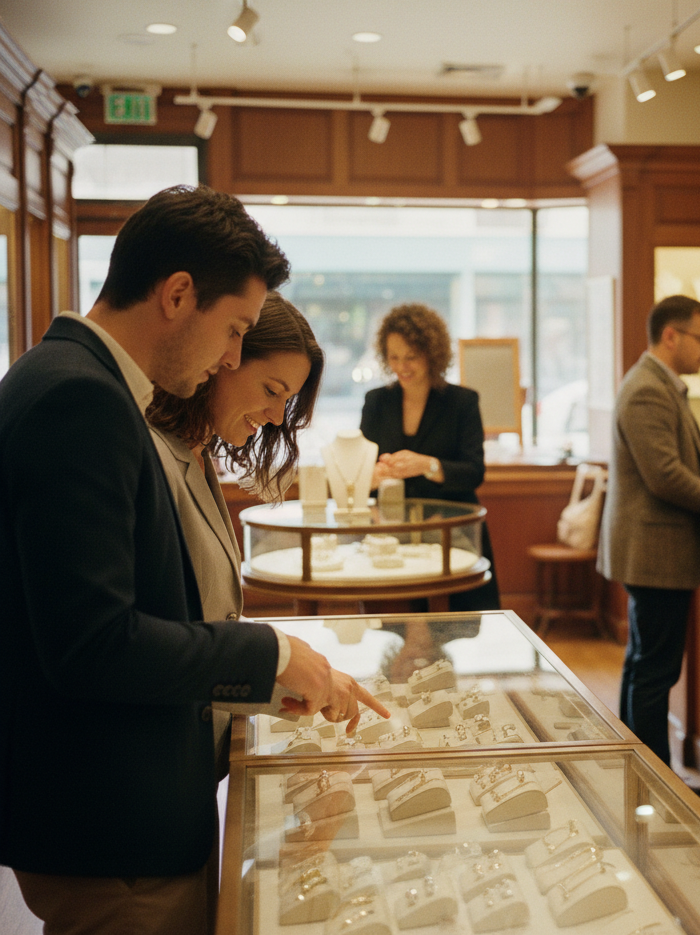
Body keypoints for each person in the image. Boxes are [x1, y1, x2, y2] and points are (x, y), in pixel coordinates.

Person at [0, 185, 386, 935]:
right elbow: (93, 644)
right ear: (178, 294)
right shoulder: (81, 401)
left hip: (117, 810)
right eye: (235, 329)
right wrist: (267, 652)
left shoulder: (68, 382)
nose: (230, 358)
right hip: (112, 827)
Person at [146, 290, 326, 773]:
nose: (275, 416)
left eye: (285, 402)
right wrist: (275, 656)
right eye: (271, 391)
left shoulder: (196, 455)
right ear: (224, 358)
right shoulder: (154, 455)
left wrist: (290, 683)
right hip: (153, 766)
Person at [598, 294, 700, 773]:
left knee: (645, 667)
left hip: (655, 551)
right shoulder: (647, 389)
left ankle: (640, 778)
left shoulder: (661, 384)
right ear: (671, 336)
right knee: (654, 673)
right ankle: (656, 788)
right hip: (655, 553)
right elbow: (664, 476)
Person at [360, 302, 499, 612]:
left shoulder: (462, 402)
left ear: (432, 355)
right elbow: (361, 472)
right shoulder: (376, 402)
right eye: (393, 357)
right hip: (391, 533)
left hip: (452, 533)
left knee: (455, 627)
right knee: (393, 628)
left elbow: (474, 471)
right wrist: (375, 476)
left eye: (411, 357)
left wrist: (427, 465)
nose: (401, 367)